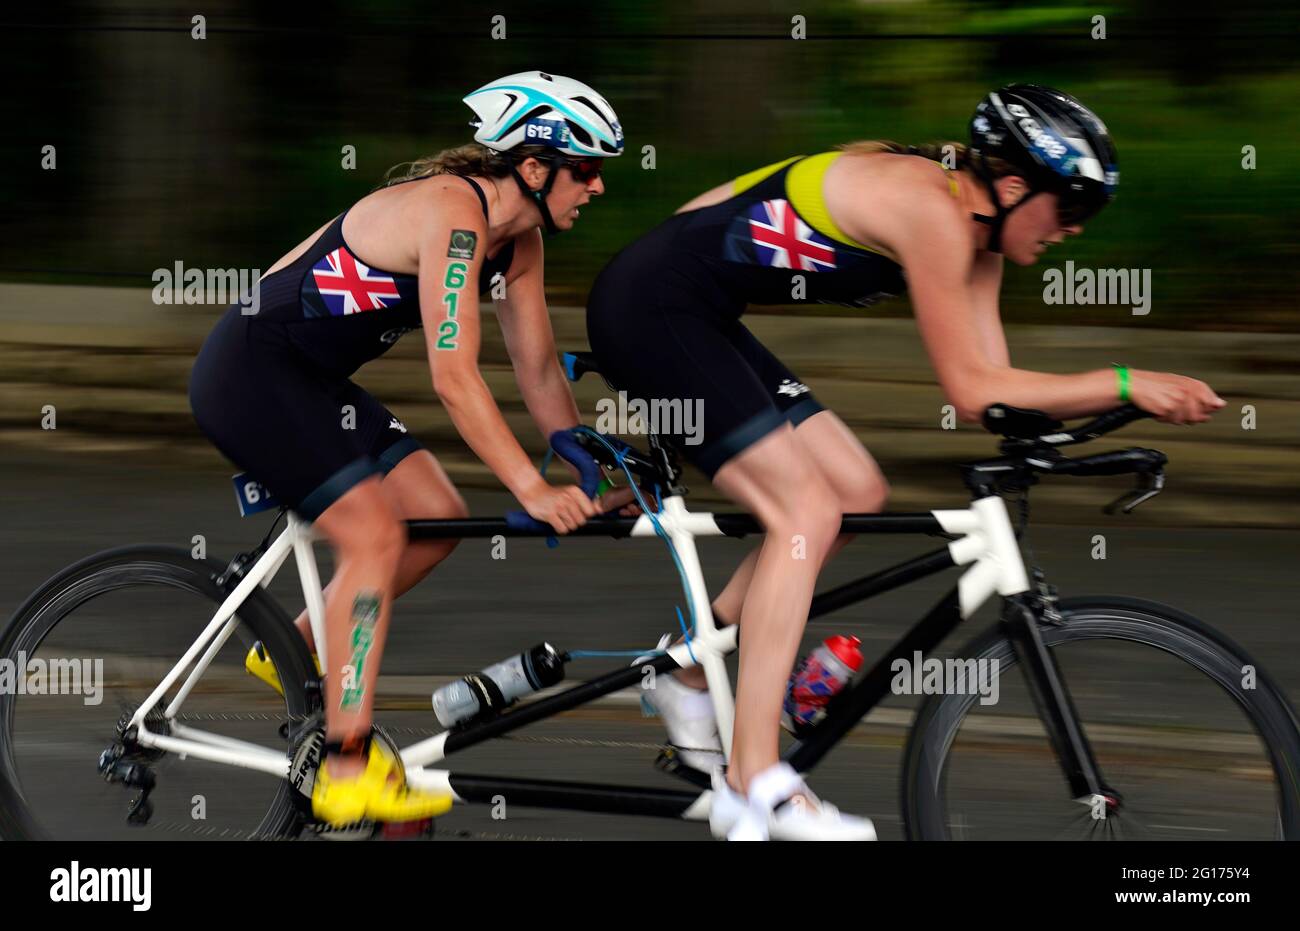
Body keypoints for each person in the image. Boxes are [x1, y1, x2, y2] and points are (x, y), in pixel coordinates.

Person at [586, 84, 1225, 840]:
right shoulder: (932, 210)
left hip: (696, 315)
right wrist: (1125, 382)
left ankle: (685, 671)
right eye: (1069, 208)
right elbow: (972, 384)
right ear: (1015, 186)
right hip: (650, 308)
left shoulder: (979, 236)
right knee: (804, 511)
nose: (1075, 230)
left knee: (855, 489)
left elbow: (989, 394)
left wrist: (1090, 419)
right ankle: (754, 779)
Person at [189, 71, 632, 827]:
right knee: (374, 532)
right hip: (250, 370)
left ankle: (293, 649)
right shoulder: (454, 217)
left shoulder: (518, 244)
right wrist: (529, 488)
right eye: (586, 169)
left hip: (311, 379)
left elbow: (533, 365)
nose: (595, 188)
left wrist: (583, 457)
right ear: (534, 166)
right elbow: (455, 377)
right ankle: (345, 762)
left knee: (437, 511)